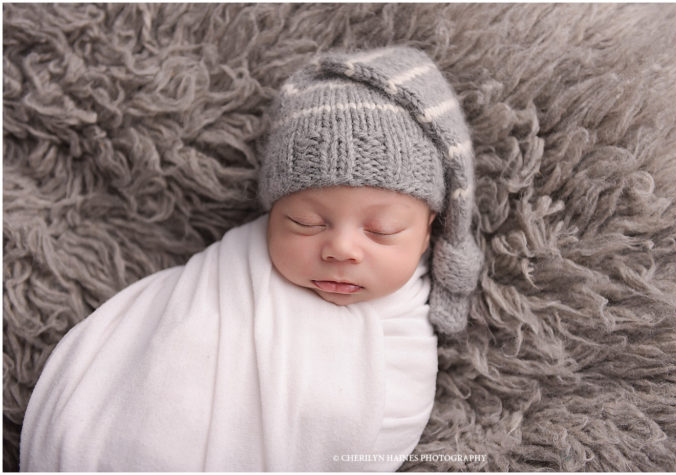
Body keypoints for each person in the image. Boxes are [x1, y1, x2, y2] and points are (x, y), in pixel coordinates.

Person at [20, 46, 482, 470]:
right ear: (272, 213)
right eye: (304, 222)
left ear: (428, 232)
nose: (340, 249)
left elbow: (377, 423)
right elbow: (169, 348)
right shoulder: (232, 270)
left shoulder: (401, 325)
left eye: (381, 231)